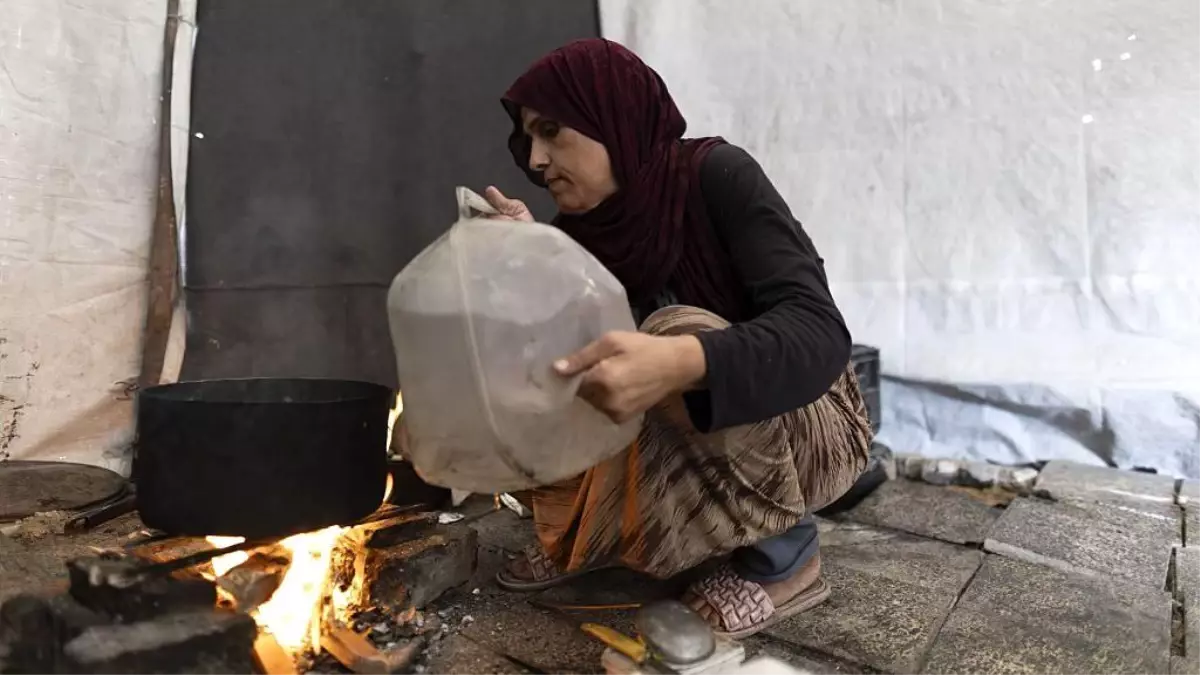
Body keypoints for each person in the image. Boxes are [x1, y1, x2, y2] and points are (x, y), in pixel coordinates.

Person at [482, 38, 872, 638]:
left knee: (675, 329)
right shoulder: (584, 230)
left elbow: (818, 333)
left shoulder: (717, 176)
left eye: (554, 131)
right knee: (533, 345)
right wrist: (539, 259)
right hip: (686, 436)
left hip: (812, 424)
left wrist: (685, 358)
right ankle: (587, 534)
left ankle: (784, 560)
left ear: (611, 116)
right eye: (528, 138)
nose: (535, 159)